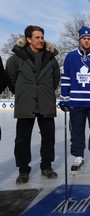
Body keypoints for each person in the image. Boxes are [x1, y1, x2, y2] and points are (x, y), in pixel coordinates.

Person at [6, 25, 60, 184]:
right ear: (28, 39)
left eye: (42, 37)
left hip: (46, 102)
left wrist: (46, 92)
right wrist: (24, 92)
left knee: (48, 137)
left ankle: (46, 166)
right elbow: (11, 79)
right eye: (37, 37)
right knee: (22, 139)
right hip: (26, 103)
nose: (41, 40)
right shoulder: (15, 58)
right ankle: (23, 170)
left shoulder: (51, 58)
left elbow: (55, 79)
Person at [59, 26, 90, 175]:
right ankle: (78, 156)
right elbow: (66, 78)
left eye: (89, 38)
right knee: (77, 130)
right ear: (79, 40)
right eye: (84, 38)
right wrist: (65, 98)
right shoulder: (71, 57)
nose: (87, 41)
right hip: (76, 101)